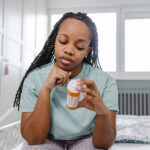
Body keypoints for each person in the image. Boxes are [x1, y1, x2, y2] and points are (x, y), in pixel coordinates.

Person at [13, 12, 118, 150]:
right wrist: (45, 90)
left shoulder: (106, 82)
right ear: (54, 41)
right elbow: (34, 140)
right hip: (47, 139)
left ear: (87, 51)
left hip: (85, 138)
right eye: (63, 41)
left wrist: (102, 113)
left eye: (80, 47)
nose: (69, 50)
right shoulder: (34, 79)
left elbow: (103, 144)